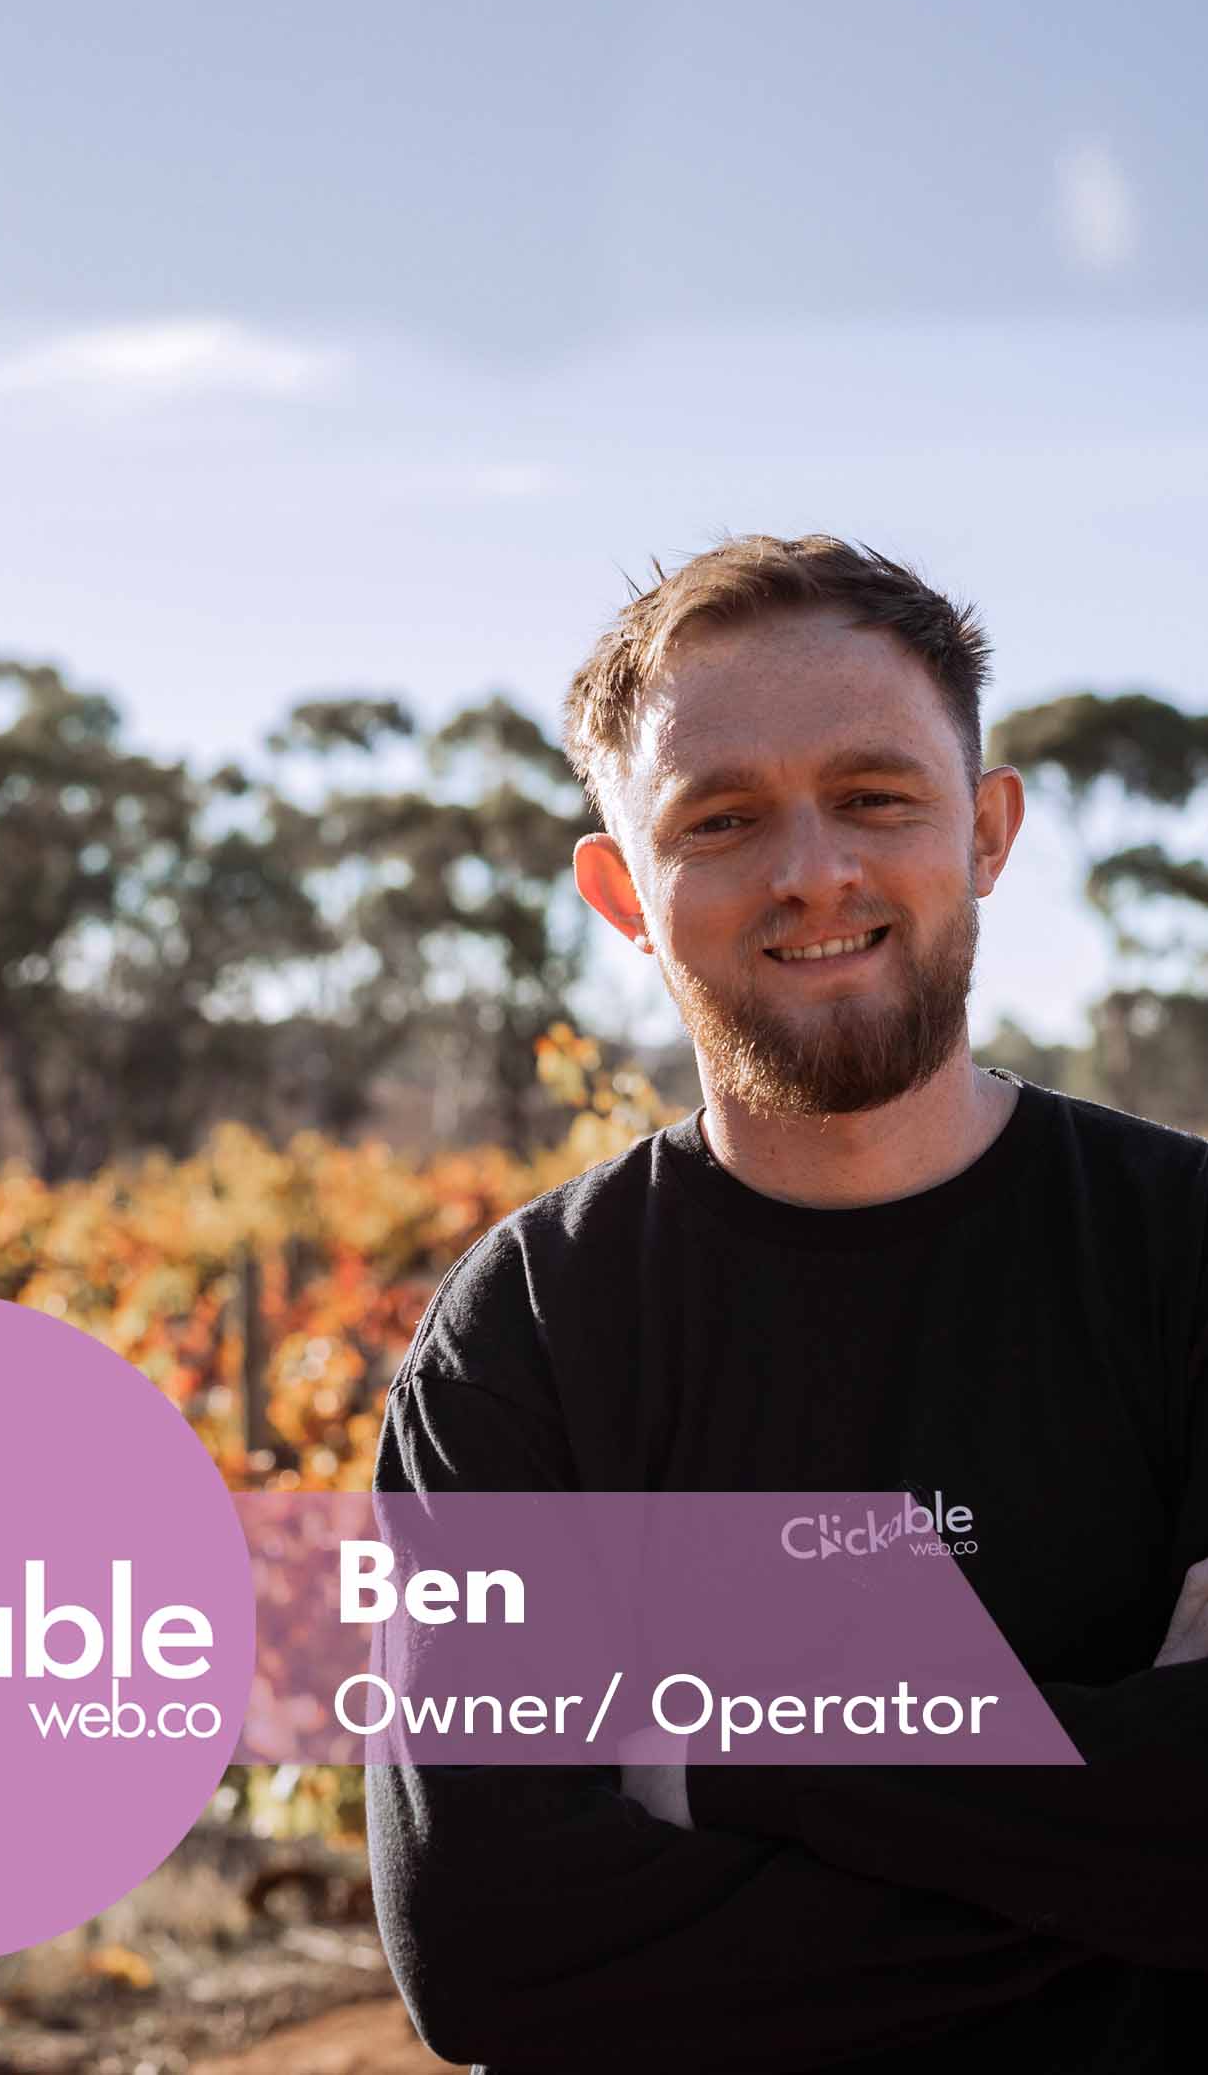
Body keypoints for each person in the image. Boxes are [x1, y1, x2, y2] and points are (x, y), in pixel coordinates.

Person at [365, 534, 1208, 2073]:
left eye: (877, 796)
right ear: (622, 890)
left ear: (989, 833)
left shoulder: (1190, 1257)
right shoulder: (527, 1337)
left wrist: (729, 1762)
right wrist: (1111, 1834)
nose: (813, 869)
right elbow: (488, 1947)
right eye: (724, 818)